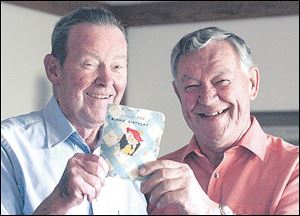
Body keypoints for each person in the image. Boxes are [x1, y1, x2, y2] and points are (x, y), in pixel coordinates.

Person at [1, 7, 147, 215]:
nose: (106, 80)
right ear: (53, 69)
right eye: (89, 64)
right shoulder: (8, 146)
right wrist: (59, 200)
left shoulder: (135, 149)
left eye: (117, 66)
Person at [138, 26, 299, 215]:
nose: (207, 98)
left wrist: (207, 210)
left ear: (252, 83)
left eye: (221, 81)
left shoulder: (293, 168)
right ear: (178, 94)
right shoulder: (155, 178)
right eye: (191, 86)